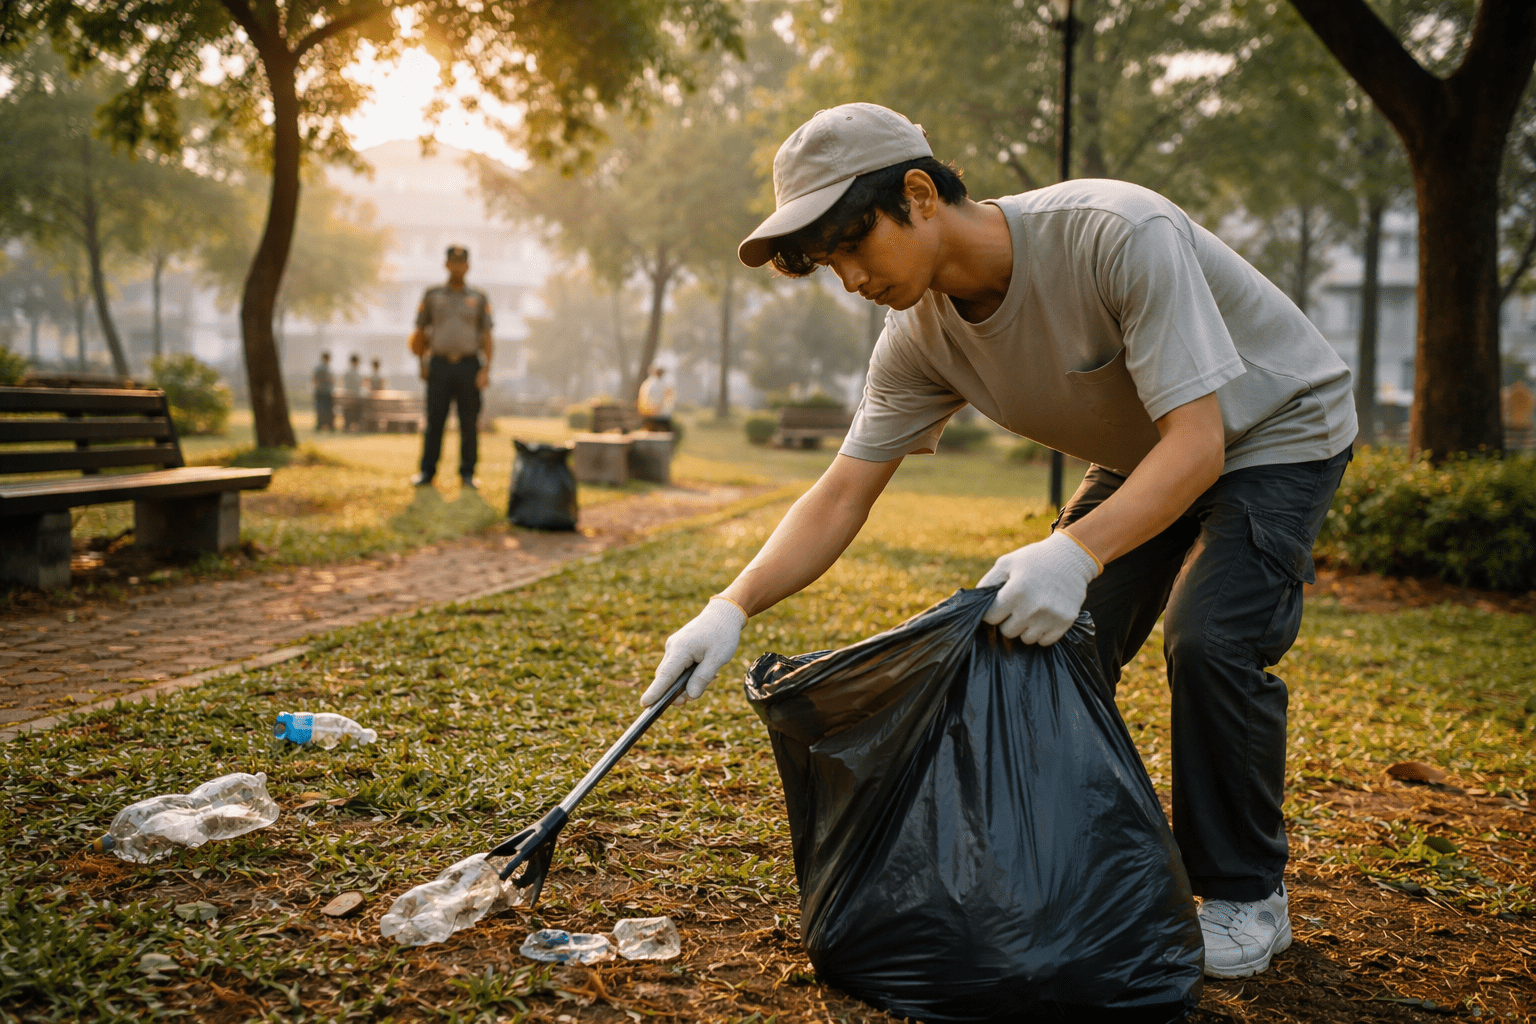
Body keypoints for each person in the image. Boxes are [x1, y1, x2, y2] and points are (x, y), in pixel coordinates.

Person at [641, 103, 1357, 981]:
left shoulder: (1115, 233)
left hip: (1274, 431)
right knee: (1028, 641)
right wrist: (731, 605)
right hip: (1143, 451)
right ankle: (1066, 867)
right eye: (829, 265)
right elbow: (839, 495)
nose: (851, 280)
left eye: (853, 245)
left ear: (918, 193)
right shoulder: (917, 339)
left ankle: (1249, 893)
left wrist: (1077, 550)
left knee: (1209, 639)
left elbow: (1201, 445)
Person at [409, 244, 493, 487]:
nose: (457, 267)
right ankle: (427, 472)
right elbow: (420, 332)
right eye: (453, 262)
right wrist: (421, 362)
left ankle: (467, 473)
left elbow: (486, 336)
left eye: (462, 263)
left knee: (469, 422)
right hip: (439, 365)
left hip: (469, 366)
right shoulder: (432, 295)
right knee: (435, 420)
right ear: (446, 265)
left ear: (468, 266)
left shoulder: (478, 298)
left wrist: (486, 369)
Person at [638, 365, 676, 432]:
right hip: (652, 416)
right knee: (666, 429)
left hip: (655, 416)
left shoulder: (649, 383)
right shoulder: (650, 384)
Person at [312, 351, 335, 431]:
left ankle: (324, 425)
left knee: (324, 409)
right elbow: (316, 378)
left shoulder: (325, 368)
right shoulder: (323, 368)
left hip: (324, 391)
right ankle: (324, 425)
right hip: (323, 392)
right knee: (324, 409)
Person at [341, 353, 363, 431]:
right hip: (355, 399)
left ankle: (348, 426)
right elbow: (360, 385)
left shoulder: (347, 373)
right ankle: (357, 426)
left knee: (348, 408)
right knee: (360, 407)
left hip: (348, 399)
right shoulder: (357, 374)